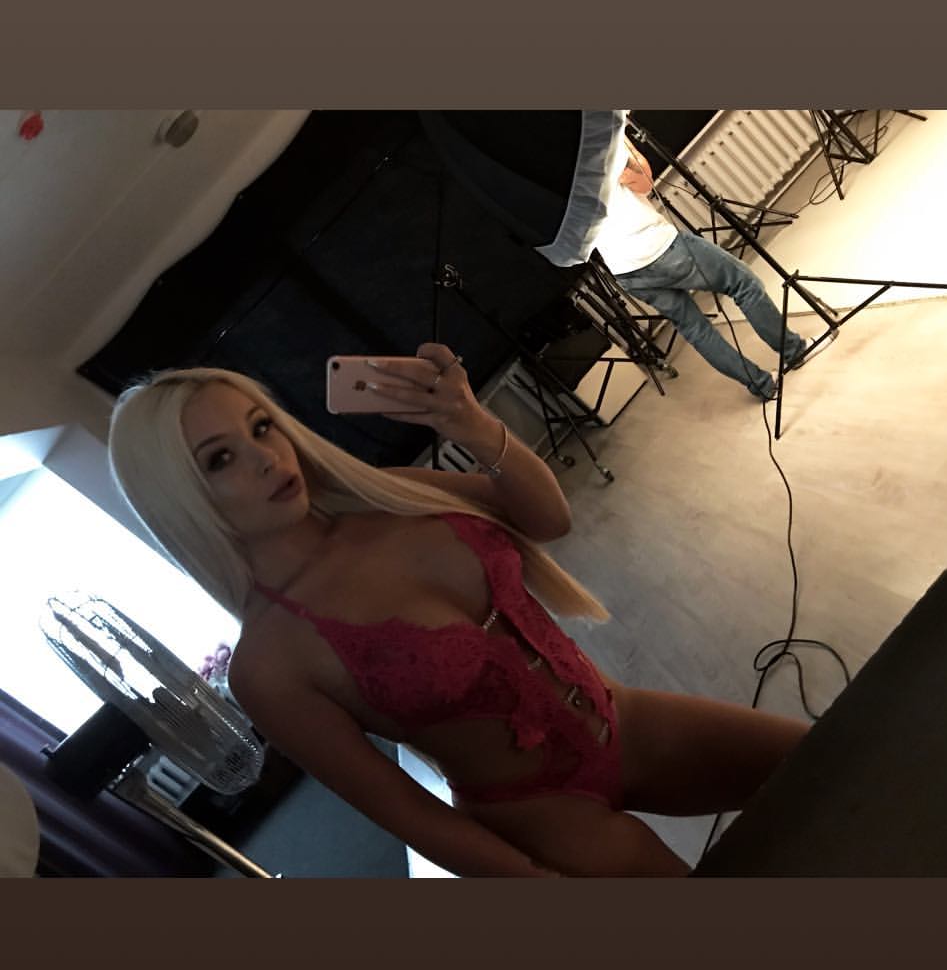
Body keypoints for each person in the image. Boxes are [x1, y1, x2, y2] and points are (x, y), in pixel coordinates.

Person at [107, 349, 808, 877]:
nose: (264, 458)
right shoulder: (271, 664)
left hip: (625, 718)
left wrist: (469, 421)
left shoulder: (386, 495)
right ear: (178, 496)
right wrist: (532, 882)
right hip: (541, 812)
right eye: (220, 460)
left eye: (262, 426)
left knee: (837, 767)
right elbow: (405, 812)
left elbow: (548, 518)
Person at [599, 131, 809, 401]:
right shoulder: (596, 139)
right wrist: (623, 139)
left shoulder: (559, 169)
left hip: (624, 269)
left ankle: (762, 385)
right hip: (658, 246)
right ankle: (794, 351)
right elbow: (643, 181)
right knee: (743, 284)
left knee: (695, 329)